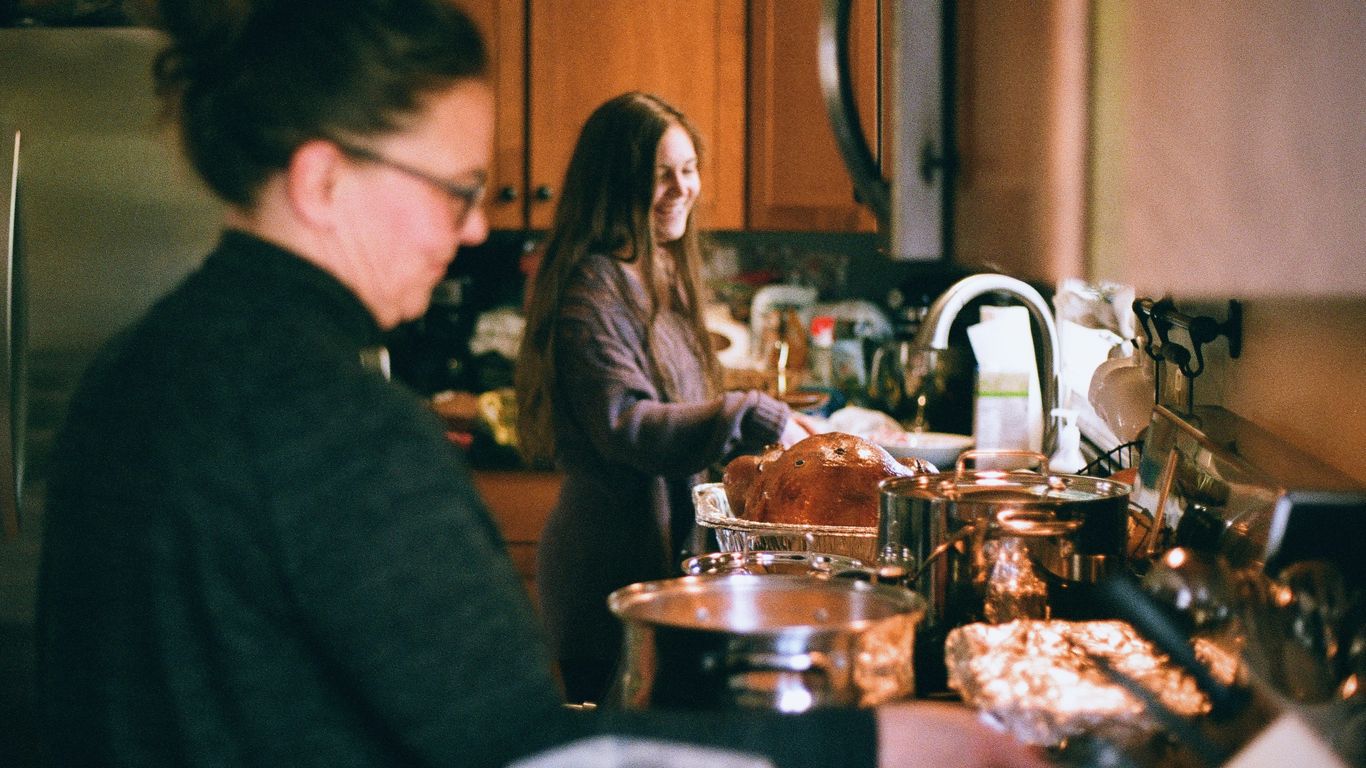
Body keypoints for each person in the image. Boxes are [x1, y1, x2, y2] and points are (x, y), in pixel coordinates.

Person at [34, 2, 1045, 767]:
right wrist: (882, 747)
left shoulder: (137, 370)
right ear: (322, 181)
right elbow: (531, 754)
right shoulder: (340, 430)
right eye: (457, 190)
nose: (476, 228)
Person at [515, 92, 815, 704]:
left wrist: (772, 419)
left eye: (687, 169)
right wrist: (752, 414)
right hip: (604, 577)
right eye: (660, 175)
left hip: (654, 566)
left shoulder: (657, 271)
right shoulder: (593, 286)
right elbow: (626, 424)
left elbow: (682, 398)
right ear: (614, 185)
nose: (682, 188)